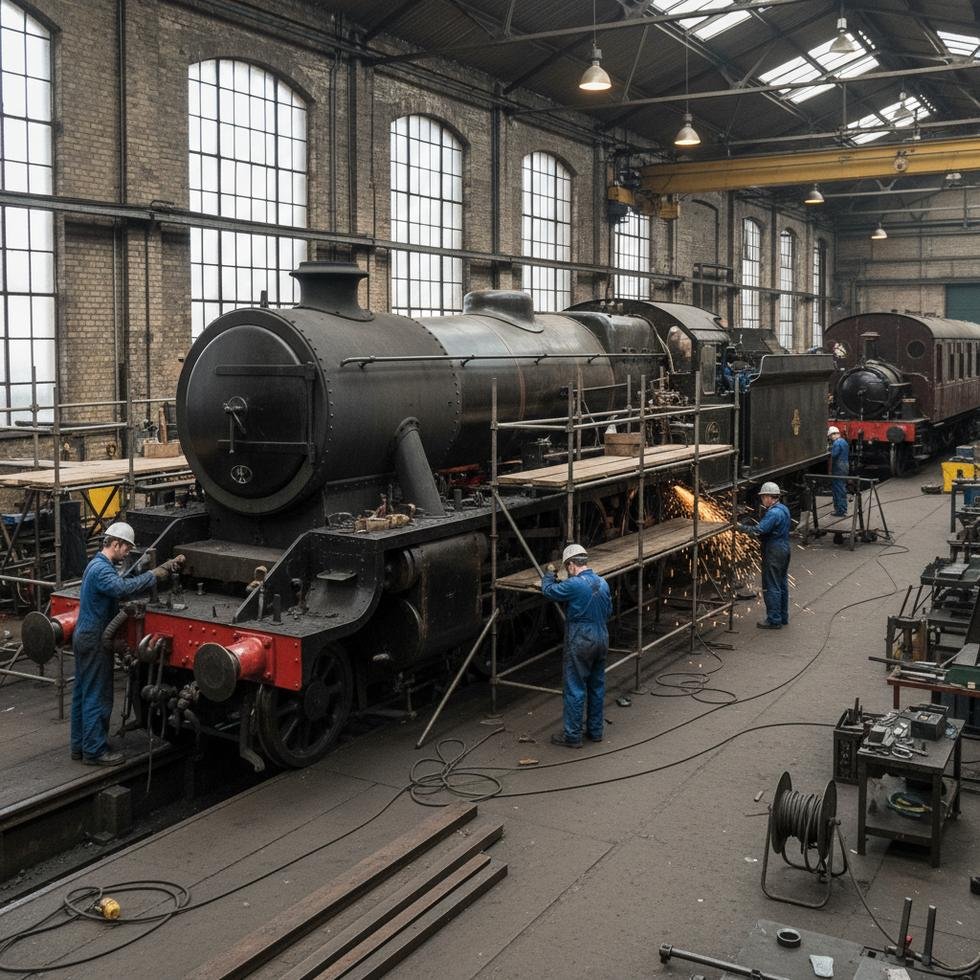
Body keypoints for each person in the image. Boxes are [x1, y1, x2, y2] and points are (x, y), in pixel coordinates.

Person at [70, 522, 184, 766]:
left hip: (85, 635)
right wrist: (152, 575)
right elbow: (121, 588)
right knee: (97, 695)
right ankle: (95, 751)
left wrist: (139, 570)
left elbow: (120, 581)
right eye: (126, 548)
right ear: (115, 544)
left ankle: (80, 746)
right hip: (94, 637)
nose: (126, 553)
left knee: (82, 692)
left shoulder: (96, 565)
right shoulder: (102, 570)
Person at [540, 544, 613, 748]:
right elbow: (609, 611)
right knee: (597, 687)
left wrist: (549, 574)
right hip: (601, 636)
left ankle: (572, 736)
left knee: (575, 688)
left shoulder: (574, 585)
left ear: (572, 565)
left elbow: (549, 592)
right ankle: (596, 732)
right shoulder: (603, 582)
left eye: (566, 567)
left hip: (582, 639)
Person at [738, 482, 791, 630]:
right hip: (784, 548)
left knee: (771, 585)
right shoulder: (783, 509)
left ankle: (774, 620)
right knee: (781, 583)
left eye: (763, 497)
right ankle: (783, 616)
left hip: (774, 550)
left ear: (768, 497)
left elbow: (759, 530)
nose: (762, 500)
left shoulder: (773, 513)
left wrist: (740, 527)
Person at [828, 426, 850, 517]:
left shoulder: (837, 443)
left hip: (838, 467)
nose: (830, 439)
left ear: (833, 435)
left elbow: (834, 454)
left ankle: (840, 511)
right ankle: (843, 509)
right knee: (842, 487)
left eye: (830, 437)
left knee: (838, 489)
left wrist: (829, 450)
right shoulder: (844, 441)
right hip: (845, 465)